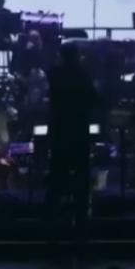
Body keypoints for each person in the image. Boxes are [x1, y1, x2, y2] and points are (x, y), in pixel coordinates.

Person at [44, 43, 100, 220]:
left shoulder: (54, 74)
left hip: (60, 132)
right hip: (79, 132)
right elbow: (95, 100)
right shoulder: (83, 74)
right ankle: (81, 215)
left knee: (56, 175)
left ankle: (51, 215)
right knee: (81, 176)